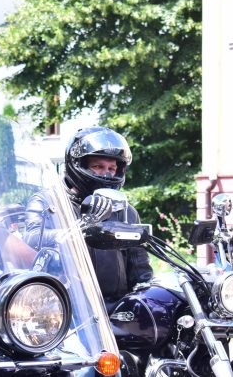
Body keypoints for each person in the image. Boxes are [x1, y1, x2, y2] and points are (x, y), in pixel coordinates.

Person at [24, 127, 153, 311]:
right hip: (64, 308)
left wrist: (144, 298)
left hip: (116, 309)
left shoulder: (124, 210)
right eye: (98, 167)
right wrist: (83, 228)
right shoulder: (48, 202)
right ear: (78, 165)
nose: (106, 174)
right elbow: (31, 240)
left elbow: (140, 269)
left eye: (111, 168)